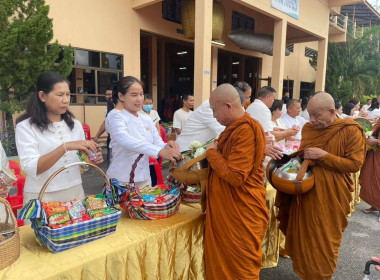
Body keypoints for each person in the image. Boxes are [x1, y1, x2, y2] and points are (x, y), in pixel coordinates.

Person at [276, 92, 366, 279]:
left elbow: (355, 164)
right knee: (305, 237)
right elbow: (303, 155)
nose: (313, 120)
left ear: (332, 111)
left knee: (325, 239)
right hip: (306, 193)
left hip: (332, 195)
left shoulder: (351, 129)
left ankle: (321, 275)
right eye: (310, 115)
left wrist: (324, 156)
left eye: (318, 115)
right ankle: (307, 274)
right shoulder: (308, 128)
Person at [205, 83, 268, 279]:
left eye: (215, 111)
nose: (214, 116)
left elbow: (235, 176)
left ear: (228, 105)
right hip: (231, 209)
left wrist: (212, 154)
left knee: (240, 271)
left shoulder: (245, 130)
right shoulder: (234, 128)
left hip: (241, 211)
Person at [15, 72, 103, 204]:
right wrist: (65, 147)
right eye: (60, 95)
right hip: (42, 194)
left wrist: (90, 161)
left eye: (68, 94)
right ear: (42, 96)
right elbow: (32, 168)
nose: (66, 100)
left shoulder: (75, 125)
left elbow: (81, 164)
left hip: (75, 190)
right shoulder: (26, 127)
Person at [106, 76, 180, 187]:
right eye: (134, 95)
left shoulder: (146, 118)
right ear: (121, 96)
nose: (140, 99)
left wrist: (166, 146)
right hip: (121, 181)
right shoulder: (116, 116)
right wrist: (159, 151)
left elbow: (157, 142)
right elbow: (125, 140)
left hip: (144, 178)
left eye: (141, 94)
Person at [246, 86, 283, 160]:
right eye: (273, 98)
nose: (273, 101)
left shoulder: (252, 106)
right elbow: (268, 134)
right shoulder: (263, 109)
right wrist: (287, 133)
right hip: (258, 147)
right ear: (267, 97)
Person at [359, 118, 380, 221]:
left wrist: (377, 141)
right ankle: (375, 205)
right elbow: (375, 129)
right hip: (375, 153)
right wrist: (368, 134)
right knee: (370, 178)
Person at [93, 88, 114, 163]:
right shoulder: (108, 108)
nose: (108, 96)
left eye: (110, 94)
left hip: (118, 139)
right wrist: (97, 136)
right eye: (107, 94)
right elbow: (105, 123)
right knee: (111, 161)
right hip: (110, 138)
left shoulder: (119, 107)